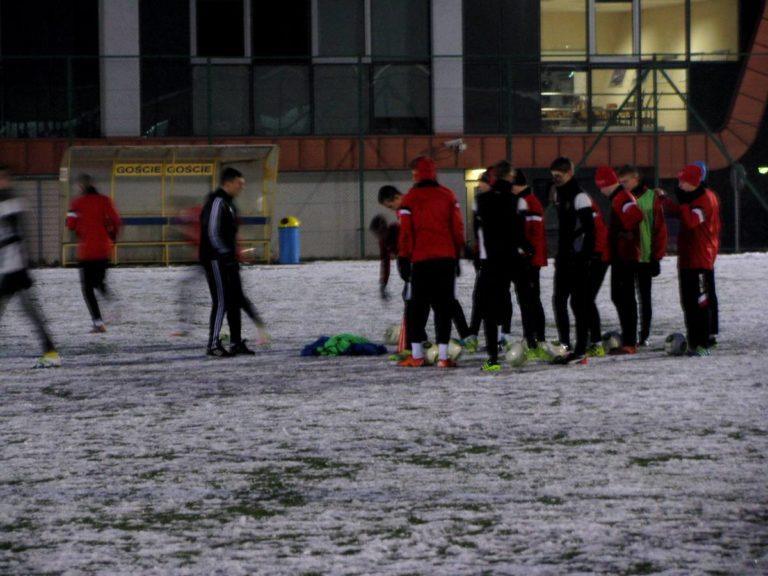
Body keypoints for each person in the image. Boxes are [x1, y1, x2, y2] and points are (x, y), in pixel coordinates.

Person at [375, 186, 471, 356]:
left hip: (425, 261)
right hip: (432, 260)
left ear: (396, 197)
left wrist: (407, 260)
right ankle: (444, 342)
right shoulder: (407, 211)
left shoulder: (410, 208)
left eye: (390, 206)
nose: (392, 210)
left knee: (424, 303)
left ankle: (418, 346)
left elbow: (412, 237)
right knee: (440, 301)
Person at [396, 157, 465, 368]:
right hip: (445, 259)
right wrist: (457, 254)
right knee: (443, 307)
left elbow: (406, 233)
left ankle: (416, 355)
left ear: (416, 174)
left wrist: (404, 257)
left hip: (421, 260)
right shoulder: (448, 196)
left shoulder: (410, 199)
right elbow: (458, 228)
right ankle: (443, 356)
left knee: (417, 307)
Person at [472, 160, 530, 372]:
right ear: (511, 177)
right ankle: (530, 343)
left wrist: (478, 256)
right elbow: (520, 234)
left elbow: (477, 231)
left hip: (490, 261)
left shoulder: (480, 201)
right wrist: (528, 250)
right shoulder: (518, 201)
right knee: (524, 299)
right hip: (513, 259)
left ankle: (492, 358)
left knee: (487, 308)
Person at [0, 166, 60, 368]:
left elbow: (15, 236)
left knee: (31, 312)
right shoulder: (11, 202)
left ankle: (51, 351)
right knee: (32, 312)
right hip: (13, 268)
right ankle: (50, 351)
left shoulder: (9, 203)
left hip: (11, 268)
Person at [199, 167, 262, 357]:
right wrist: (224, 253)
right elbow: (211, 232)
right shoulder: (217, 202)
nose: (241, 188)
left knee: (234, 300)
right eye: (239, 184)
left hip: (228, 260)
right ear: (227, 183)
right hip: (215, 259)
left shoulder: (229, 204)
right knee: (221, 301)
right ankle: (213, 344)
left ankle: (236, 342)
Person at [665, 164, 721, 356]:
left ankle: (703, 343)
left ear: (692, 182)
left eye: (682, 181)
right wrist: (665, 201)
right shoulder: (695, 197)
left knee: (700, 302)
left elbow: (690, 221)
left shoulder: (705, 199)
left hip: (700, 259)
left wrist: (680, 203)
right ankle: (695, 341)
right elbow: (682, 213)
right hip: (689, 258)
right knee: (689, 302)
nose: (679, 184)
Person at [550, 157, 596, 365]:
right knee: (559, 301)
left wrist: (584, 258)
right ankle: (566, 347)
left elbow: (589, 231)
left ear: (569, 172)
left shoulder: (580, 197)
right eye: (553, 176)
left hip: (578, 260)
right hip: (565, 258)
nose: (556, 179)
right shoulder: (559, 194)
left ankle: (580, 351)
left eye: (558, 176)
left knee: (579, 304)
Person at [595, 165, 644, 355]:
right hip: (623, 255)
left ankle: (630, 342)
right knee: (621, 296)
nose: (600, 191)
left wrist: (624, 234)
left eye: (601, 187)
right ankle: (630, 339)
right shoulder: (620, 198)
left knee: (623, 296)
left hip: (625, 256)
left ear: (606, 184)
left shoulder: (621, 198)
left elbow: (635, 215)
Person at [66, 174, 122, 333]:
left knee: (87, 288)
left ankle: (98, 323)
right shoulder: (105, 200)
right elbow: (116, 221)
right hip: (103, 248)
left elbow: (70, 224)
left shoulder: (76, 203)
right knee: (99, 282)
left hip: (86, 251)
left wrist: (79, 229)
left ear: (81, 187)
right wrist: (113, 237)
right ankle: (113, 303)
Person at [510, 167, 551, 360]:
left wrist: (526, 253)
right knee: (529, 300)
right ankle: (533, 338)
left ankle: (536, 339)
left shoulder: (528, 202)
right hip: (530, 259)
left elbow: (532, 234)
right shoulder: (529, 200)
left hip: (528, 260)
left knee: (530, 301)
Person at [634, 171, 668, 346]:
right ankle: (631, 334)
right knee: (626, 298)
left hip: (645, 257)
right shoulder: (621, 196)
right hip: (627, 257)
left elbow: (660, 229)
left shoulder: (651, 198)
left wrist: (657, 256)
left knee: (644, 298)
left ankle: (644, 334)